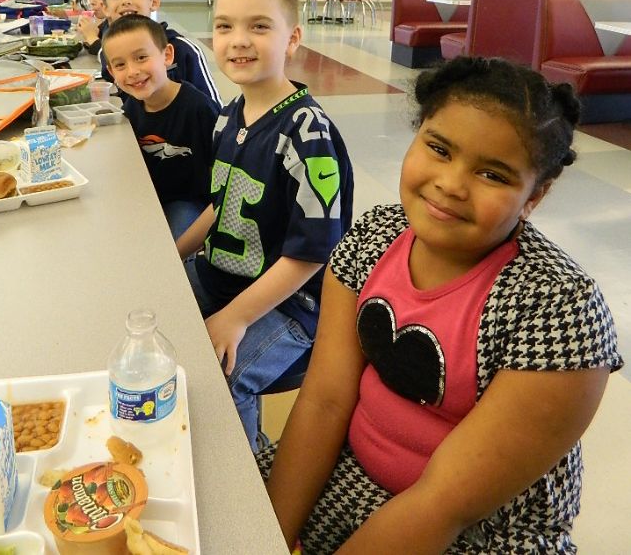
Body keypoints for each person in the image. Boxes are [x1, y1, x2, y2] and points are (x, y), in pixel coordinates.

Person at [259, 56, 623, 554]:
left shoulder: (558, 309)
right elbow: (324, 399)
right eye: (439, 148)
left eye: (493, 174)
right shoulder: (374, 235)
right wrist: (264, 536)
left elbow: (443, 504)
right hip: (351, 471)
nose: (451, 184)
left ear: (534, 195)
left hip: (481, 529)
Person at [176, 0, 354, 451]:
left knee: (225, 378)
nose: (238, 40)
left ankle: (249, 472)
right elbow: (220, 204)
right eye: (225, 26)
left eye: (259, 26)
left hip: (291, 303)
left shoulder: (308, 134)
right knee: (155, 307)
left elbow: (312, 253)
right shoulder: (228, 117)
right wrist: (176, 253)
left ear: (292, 38)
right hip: (223, 275)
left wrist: (235, 317)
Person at [102, 14, 220, 239]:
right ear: (111, 71)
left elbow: (221, 172)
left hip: (189, 201)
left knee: (175, 243)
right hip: (149, 196)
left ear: (167, 55)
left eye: (141, 57)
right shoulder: (132, 106)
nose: (132, 71)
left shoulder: (198, 108)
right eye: (120, 65)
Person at [99, 0, 221, 106]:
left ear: (154, 2)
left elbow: (213, 107)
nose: (126, 1)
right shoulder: (108, 51)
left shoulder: (182, 48)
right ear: (105, 7)